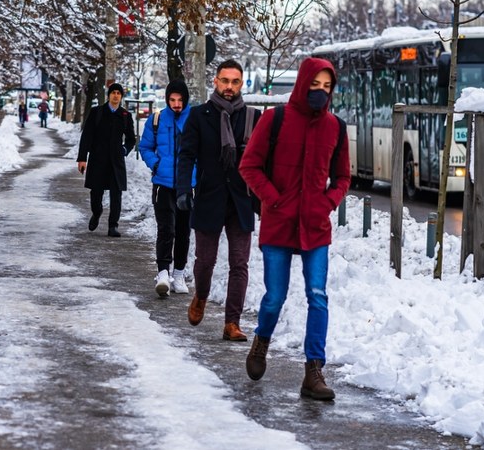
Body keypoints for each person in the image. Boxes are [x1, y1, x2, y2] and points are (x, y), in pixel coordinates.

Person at [238, 57, 351, 401]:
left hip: (315, 226)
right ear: (303, 84)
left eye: (327, 87)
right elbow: (249, 166)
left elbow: (343, 177)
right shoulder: (275, 119)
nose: (321, 92)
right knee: (275, 296)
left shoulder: (336, 127)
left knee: (318, 295)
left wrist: (327, 202)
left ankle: (314, 371)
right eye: (315, 85)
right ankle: (261, 341)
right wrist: (274, 200)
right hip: (279, 223)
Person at [176, 59, 260, 342]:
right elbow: (186, 155)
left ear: (242, 84)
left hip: (241, 201)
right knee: (205, 261)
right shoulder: (200, 115)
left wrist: (264, 197)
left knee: (239, 264)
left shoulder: (252, 117)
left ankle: (232, 323)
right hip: (209, 197)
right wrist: (183, 189)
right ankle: (200, 296)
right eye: (225, 80)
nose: (229, 86)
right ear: (215, 81)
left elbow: (262, 161)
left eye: (235, 82)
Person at [139, 80, 195, 297]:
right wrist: (156, 164)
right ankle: (163, 272)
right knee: (166, 229)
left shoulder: (194, 119)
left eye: (180, 100)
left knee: (183, 231)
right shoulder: (157, 119)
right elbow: (145, 146)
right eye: (172, 100)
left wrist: (195, 172)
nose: (176, 104)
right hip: (162, 183)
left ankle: (179, 274)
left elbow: (202, 150)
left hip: (186, 185)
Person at [77, 83, 136, 237]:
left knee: (116, 194)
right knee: (96, 192)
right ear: (109, 95)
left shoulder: (125, 115)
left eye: (118, 93)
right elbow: (87, 136)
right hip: (98, 159)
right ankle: (96, 213)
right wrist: (82, 158)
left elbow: (131, 139)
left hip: (116, 161)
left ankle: (113, 225)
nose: (116, 95)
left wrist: (125, 149)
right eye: (113, 92)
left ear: (121, 96)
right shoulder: (97, 112)